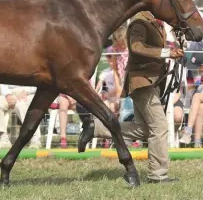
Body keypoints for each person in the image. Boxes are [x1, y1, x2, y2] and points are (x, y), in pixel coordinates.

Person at [77, 11, 184, 183]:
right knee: (160, 126)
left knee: (144, 129)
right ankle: (157, 175)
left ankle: (95, 128)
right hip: (142, 83)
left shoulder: (154, 21)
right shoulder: (140, 21)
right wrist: (166, 53)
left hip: (149, 82)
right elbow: (136, 47)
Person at [0, 84, 41, 150]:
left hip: (29, 94)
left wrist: (26, 91)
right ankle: (4, 139)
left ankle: (35, 139)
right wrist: (8, 95)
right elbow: (3, 84)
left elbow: (39, 83)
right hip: (11, 94)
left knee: (20, 104)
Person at [179, 53, 203, 146]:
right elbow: (189, 92)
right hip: (200, 100)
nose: (192, 67)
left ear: (202, 66)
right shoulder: (190, 72)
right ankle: (197, 142)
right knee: (201, 107)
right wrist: (194, 85)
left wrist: (199, 83)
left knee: (198, 96)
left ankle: (188, 131)